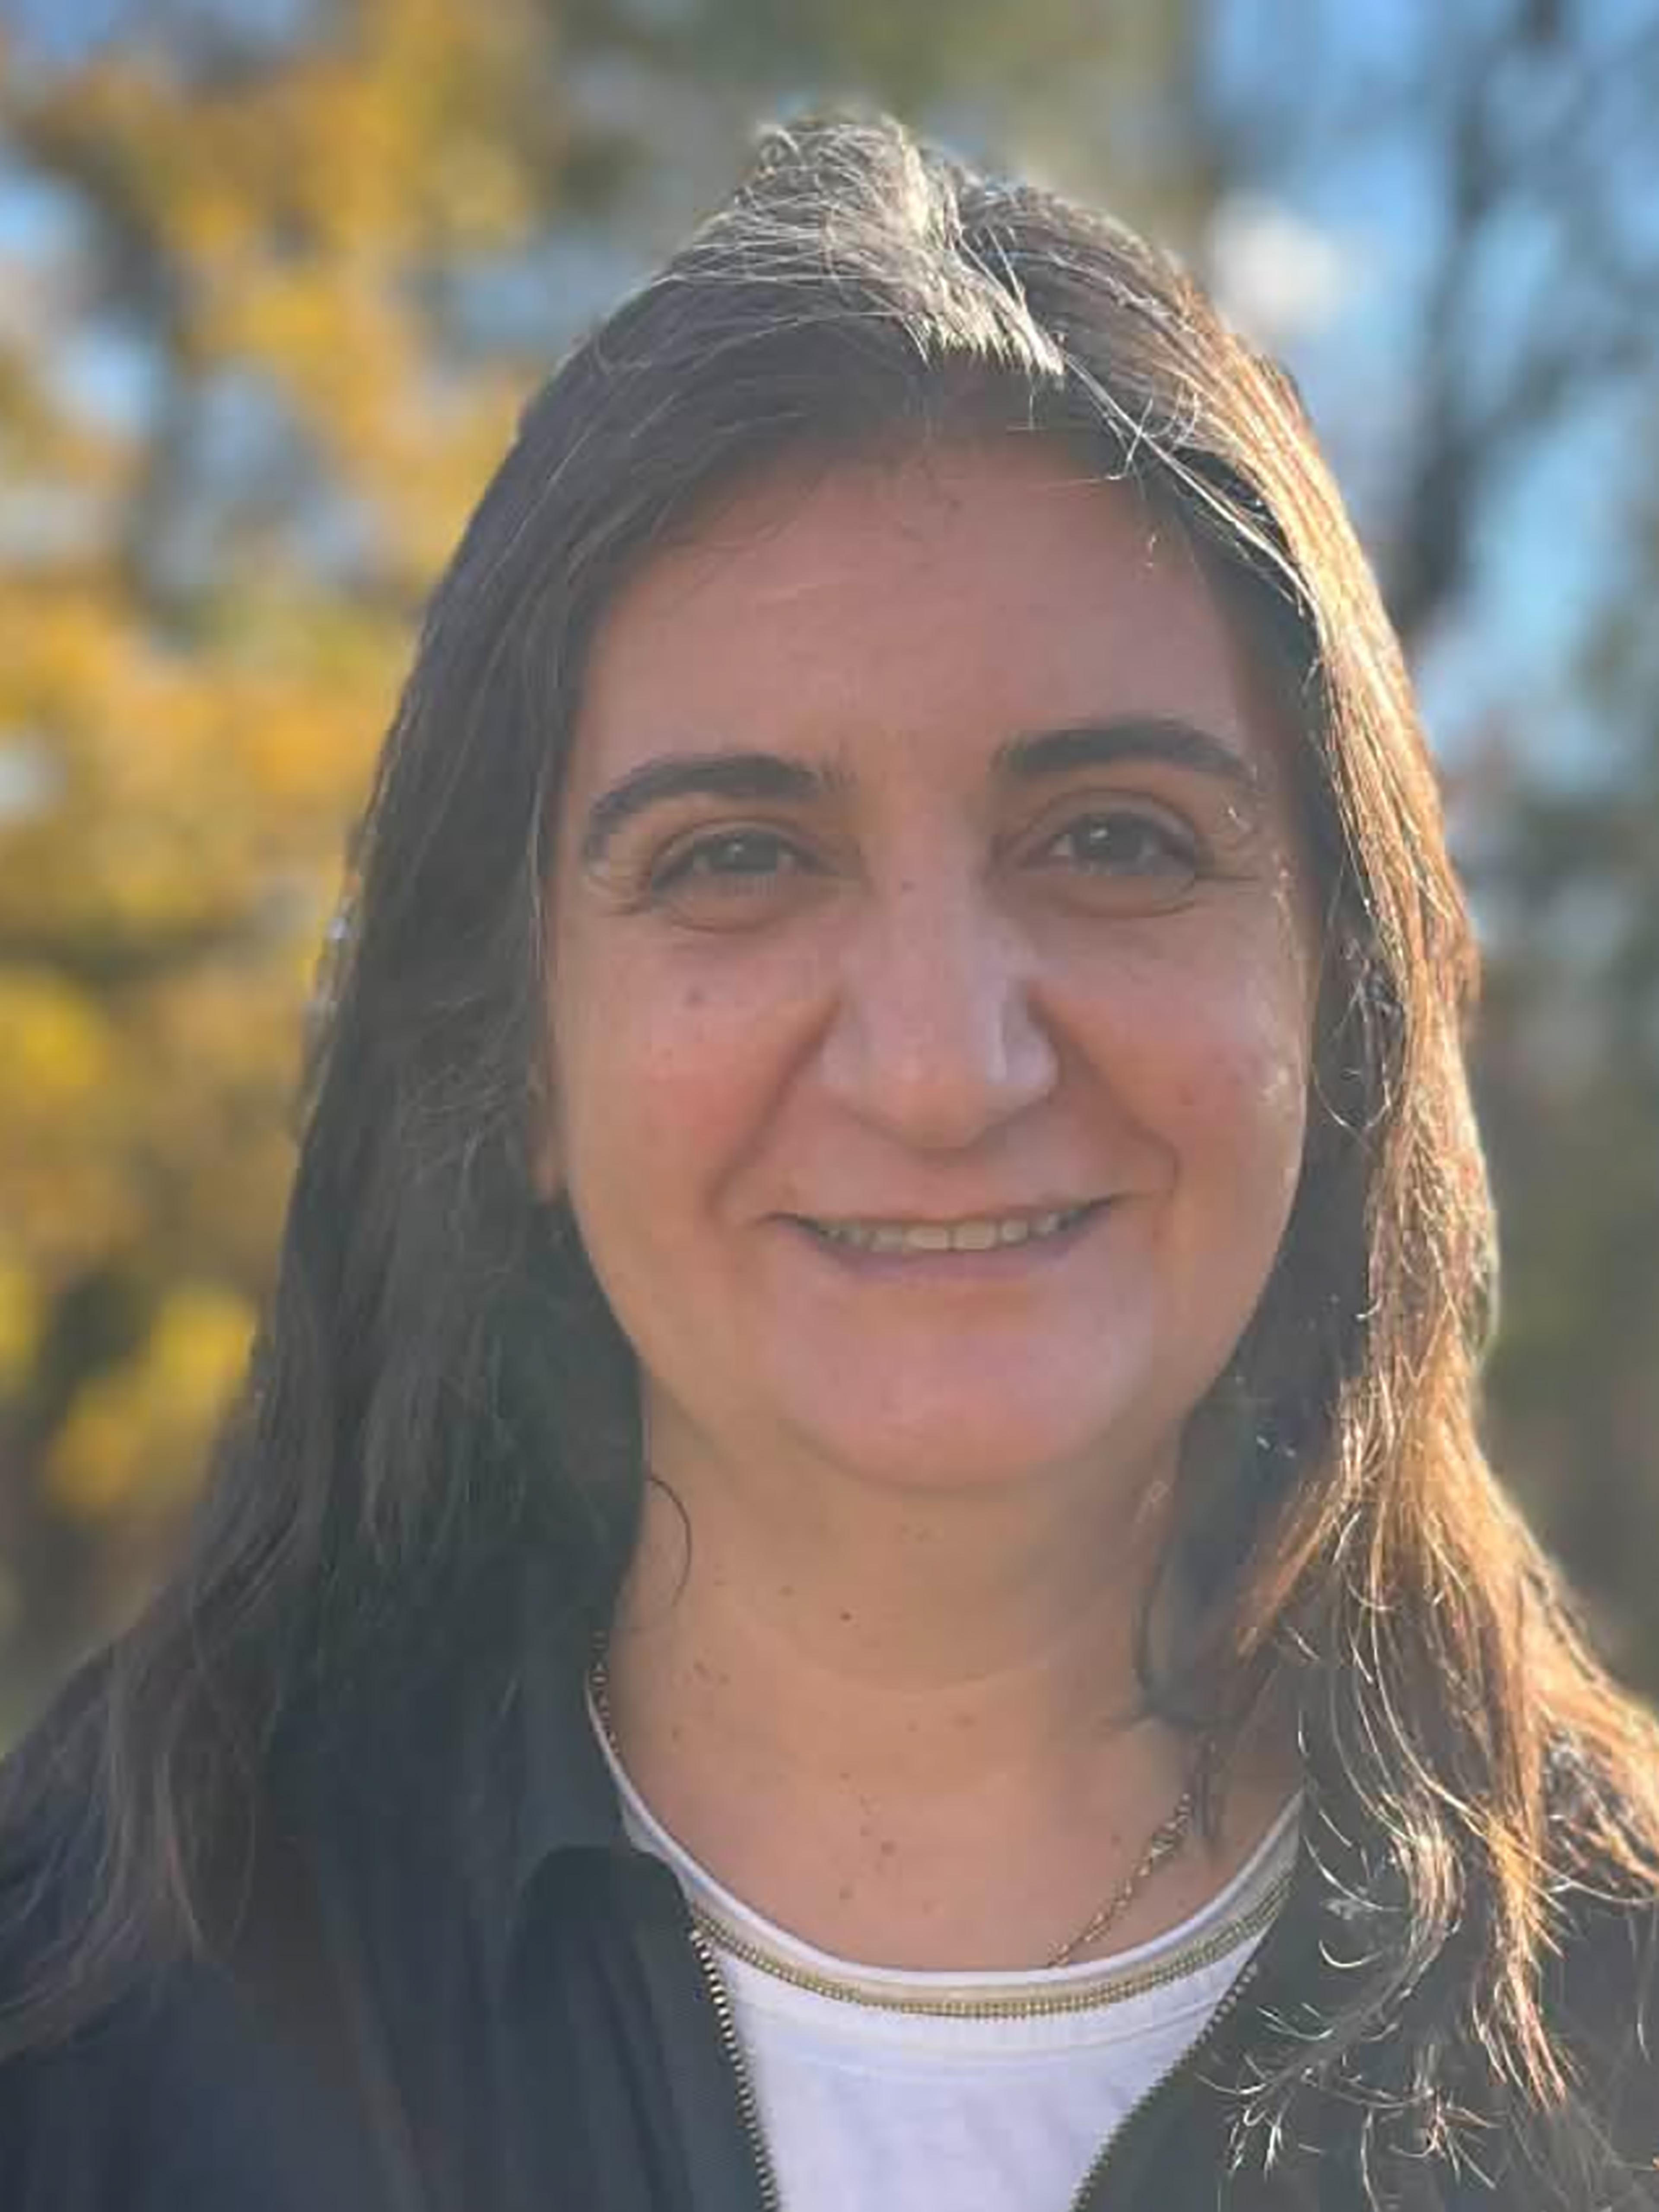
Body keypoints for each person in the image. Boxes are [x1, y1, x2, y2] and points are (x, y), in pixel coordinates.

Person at [1, 112, 1656, 2212]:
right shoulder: (85, 2043)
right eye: (741, 860)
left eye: (1118, 839)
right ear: (509, 1050)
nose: (945, 1067)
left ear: (1349, 998)